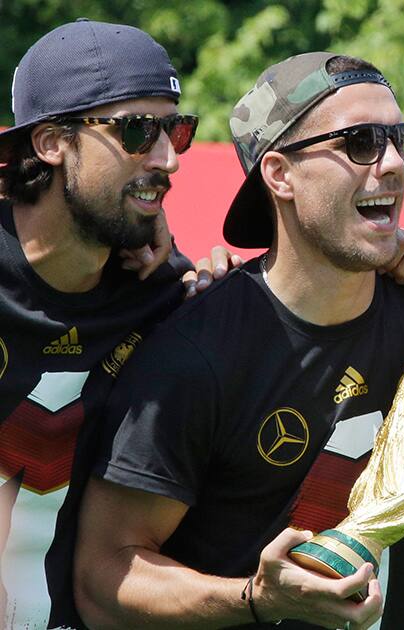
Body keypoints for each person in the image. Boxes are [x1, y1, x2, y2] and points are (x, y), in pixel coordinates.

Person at [71, 52, 404, 630]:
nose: (393, 163)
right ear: (279, 174)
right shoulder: (195, 351)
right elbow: (103, 579)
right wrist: (254, 598)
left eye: (401, 139)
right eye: (361, 142)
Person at [0, 19, 243, 628]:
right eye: (137, 130)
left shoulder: (170, 300)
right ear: (52, 142)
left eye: (176, 130)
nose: (168, 160)